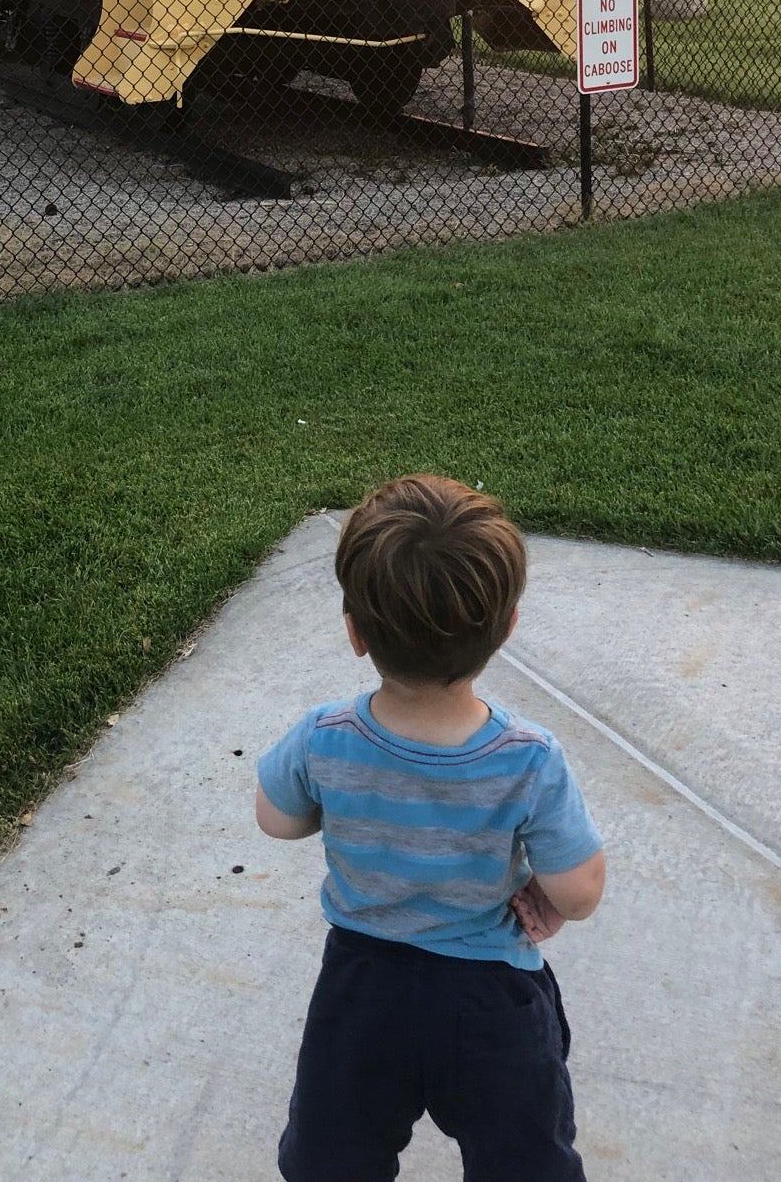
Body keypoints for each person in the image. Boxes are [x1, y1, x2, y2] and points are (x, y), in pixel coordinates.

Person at [256, 474, 605, 1181]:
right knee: (524, 1160)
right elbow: (579, 892)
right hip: (490, 999)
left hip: (361, 991)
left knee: (334, 1156)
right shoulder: (528, 759)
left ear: (355, 632)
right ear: (507, 627)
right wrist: (550, 894)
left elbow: (276, 819)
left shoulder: (324, 737)